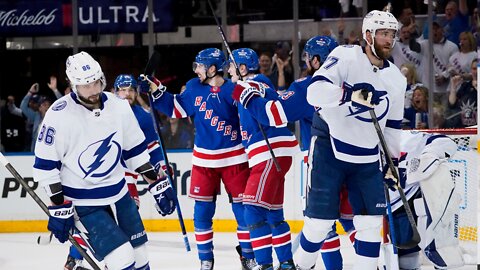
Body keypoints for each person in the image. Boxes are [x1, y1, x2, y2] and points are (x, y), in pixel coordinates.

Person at [32, 51, 176, 270]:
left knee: (141, 258)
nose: (93, 90)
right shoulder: (58, 114)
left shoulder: (119, 106)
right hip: (84, 203)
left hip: (120, 195)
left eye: (96, 83)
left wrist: (156, 183)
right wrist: (59, 205)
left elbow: (135, 151)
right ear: (74, 85)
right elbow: (46, 166)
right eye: (86, 85)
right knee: (123, 259)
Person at [294, 10, 406, 270]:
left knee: (370, 224)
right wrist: (349, 94)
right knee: (320, 223)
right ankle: (302, 264)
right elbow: (314, 92)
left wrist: (393, 164)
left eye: (392, 34)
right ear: (368, 35)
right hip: (330, 148)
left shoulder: (397, 80)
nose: (389, 40)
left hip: (367, 158)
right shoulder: (345, 56)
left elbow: (392, 127)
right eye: (383, 34)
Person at [138, 48, 255, 270]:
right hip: (204, 161)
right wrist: (154, 90)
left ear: (212, 69)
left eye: (199, 66)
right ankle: (206, 260)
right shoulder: (193, 87)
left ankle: (247, 255)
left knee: (243, 211)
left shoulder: (234, 90)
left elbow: (250, 118)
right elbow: (176, 108)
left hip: (235, 159)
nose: (195, 70)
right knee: (202, 213)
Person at [63, 73, 171, 269]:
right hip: (100, 176)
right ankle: (74, 255)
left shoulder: (143, 118)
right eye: (122, 89)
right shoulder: (103, 112)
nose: (127, 94)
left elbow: (153, 150)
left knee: (128, 219)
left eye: (131, 90)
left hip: (127, 174)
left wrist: (161, 174)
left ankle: (111, 261)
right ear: (114, 91)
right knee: (100, 219)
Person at [228, 47, 300, 269]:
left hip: (269, 152)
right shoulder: (256, 83)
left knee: (252, 211)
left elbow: (257, 94)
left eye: (232, 66)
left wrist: (242, 88)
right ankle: (286, 263)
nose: (228, 70)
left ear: (242, 68)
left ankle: (264, 264)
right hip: (277, 152)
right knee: (273, 213)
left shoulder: (252, 83)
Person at [386, 130, 464, 269]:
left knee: (438, 245)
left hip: (415, 196)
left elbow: (446, 142)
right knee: (403, 251)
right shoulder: (361, 145)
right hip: (389, 204)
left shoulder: (405, 137)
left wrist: (430, 155)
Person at [447, 59, 477, 128]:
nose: (476, 72)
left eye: (478, 68)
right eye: (474, 69)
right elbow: (452, 104)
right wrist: (453, 87)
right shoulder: (466, 86)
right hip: (463, 126)